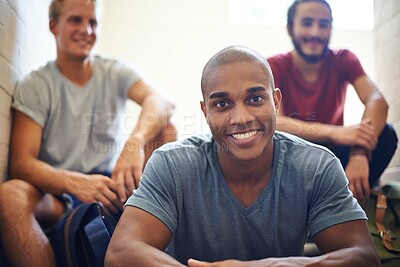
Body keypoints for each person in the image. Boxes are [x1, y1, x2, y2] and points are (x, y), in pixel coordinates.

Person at [105, 45, 380, 267]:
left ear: (275, 101)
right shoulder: (172, 164)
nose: (241, 118)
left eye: (255, 99)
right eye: (222, 104)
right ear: (205, 112)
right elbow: (121, 252)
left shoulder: (317, 165)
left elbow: (363, 257)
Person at [0, 0, 176, 266]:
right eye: (75, 20)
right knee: (9, 196)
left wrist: (134, 143)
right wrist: (75, 183)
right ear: (53, 26)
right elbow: (21, 163)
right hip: (57, 192)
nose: (87, 30)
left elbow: (162, 101)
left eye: (92, 22)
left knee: (165, 128)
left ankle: (148, 234)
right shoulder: (37, 85)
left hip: (110, 186)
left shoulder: (114, 71)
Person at [268, 0, 398, 203]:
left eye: (324, 24)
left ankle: (343, 200)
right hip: (294, 156)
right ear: (290, 28)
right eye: (307, 23)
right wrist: (338, 133)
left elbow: (377, 102)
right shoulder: (274, 66)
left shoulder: (343, 59)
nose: (315, 33)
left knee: (387, 134)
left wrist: (359, 152)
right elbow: (276, 121)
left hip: (335, 159)